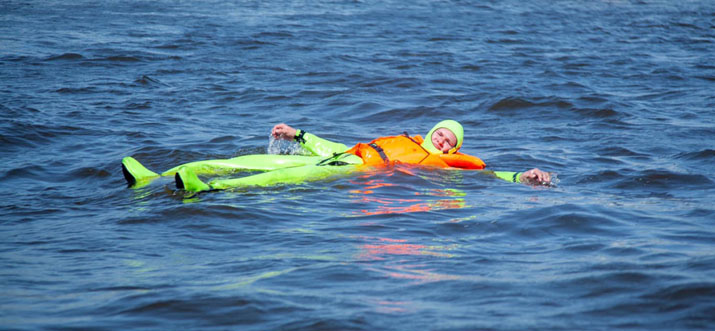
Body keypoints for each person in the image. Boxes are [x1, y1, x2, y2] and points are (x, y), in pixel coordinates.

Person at [121, 120, 552, 192]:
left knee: (273, 180)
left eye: (449, 141)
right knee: (253, 158)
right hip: (342, 159)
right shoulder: (399, 139)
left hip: (344, 176)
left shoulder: (447, 163)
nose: (442, 142)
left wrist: (522, 177)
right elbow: (335, 148)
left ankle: (208, 188)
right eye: (440, 134)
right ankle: (155, 177)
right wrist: (298, 133)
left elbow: (489, 174)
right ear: (430, 131)